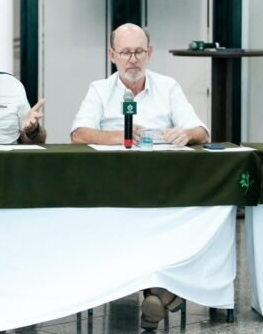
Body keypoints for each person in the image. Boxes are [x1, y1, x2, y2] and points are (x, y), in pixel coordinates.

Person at [70, 22, 209, 331]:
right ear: (112, 55)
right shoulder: (100, 90)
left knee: (185, 216)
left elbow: (202, 131)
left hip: (164, 184)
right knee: (134, 219)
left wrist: (186, 134)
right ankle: (161, 292)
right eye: (125, 53)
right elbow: (79, 134)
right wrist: (122, 135)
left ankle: (158, 293)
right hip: (115, 186)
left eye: (138, 52)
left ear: (150, 53)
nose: (132, 60)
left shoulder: (168, 87)